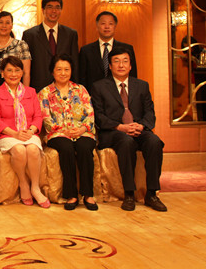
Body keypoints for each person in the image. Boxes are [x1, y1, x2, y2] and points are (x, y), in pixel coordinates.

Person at [90, 46, 167, 212]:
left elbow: (150, 112)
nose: (121, 65)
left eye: (125, 61)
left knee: (154, 141)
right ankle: (129, 194)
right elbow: (98, 115)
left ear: (131, 65)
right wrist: (120, 127)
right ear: (110, 66)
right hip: (113, 131)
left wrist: (142, 125)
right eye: (116, 61)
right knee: (126, 141)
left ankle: (152, 194)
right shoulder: (99, 86)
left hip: (138, 129)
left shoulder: (142, 85)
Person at [38, 54, 97, 211]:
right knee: (66, 148)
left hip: (82, 131)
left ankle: (88, 194)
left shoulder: (81, 90)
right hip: (57, 134)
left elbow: (90, 114)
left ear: (71, 71)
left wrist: (82, 129)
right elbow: (46, 119)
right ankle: (71, 195)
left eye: (66, 69)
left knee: (85, 147)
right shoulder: (45, 93)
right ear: (52, 71)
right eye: (59, 69)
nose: (63, 73)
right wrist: (65, 131)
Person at [0, 56, 49, 208]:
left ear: (22, 73)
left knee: (33, 149)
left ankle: (35, 187)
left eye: (17, 70)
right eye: (9, 70)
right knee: (19, 150)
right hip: (6, 135)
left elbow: (38, 116)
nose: (13, 74)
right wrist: (15, 134)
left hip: (29, 133)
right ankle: (23, 184)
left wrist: (31, 131)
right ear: (2, 73)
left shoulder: (31, 92)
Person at [22, 0, 79, 93]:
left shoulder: (71, 34)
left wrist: (75, 88)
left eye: (57, 8)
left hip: (65, 88)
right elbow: (26, 66)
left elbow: (75, 63)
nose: (54, 11)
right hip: (38, 87)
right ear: (43, 10)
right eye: (50, 7)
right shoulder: (29, 35)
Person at [79, 11, 138, 91]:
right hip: (93, 93)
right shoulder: (86, 50)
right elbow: (82, 77)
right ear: (97, 26)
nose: (107, 27)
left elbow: (132, 75)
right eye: (103, 23)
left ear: (115, 26)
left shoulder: (127, 48)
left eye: (110, 24)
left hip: (119, 93)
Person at [0, 11, 32, 89]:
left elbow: (26, 73)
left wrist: (25, 92)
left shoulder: (21, 45)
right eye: (1, 22)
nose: (4, 26)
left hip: (15, 85)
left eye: (7, 23)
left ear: (12, 25)